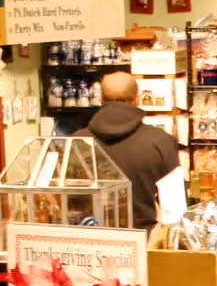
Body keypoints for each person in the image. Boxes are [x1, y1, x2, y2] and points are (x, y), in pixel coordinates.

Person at [75, 71, 182, 229]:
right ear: (137, 99)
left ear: (101, 99)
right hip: (143, 243)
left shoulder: (76, 142)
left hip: (87, 242)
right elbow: (174, 212)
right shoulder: (160, 142)